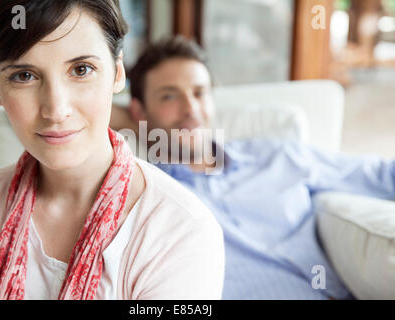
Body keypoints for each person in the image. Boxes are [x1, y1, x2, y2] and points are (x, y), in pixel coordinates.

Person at [0, 1, 224, 300]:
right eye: (24, 76)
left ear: (118, 73)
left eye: (81, 70)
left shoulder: (180, 230)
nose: (56, 110)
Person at [110, 36, 395, 300]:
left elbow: (382, 176)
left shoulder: (278, 156)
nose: (191, 109)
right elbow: (80, 109)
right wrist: (135, 120)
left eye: (199, 92)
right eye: (169, 96)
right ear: (138, 111)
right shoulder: (147, 195)